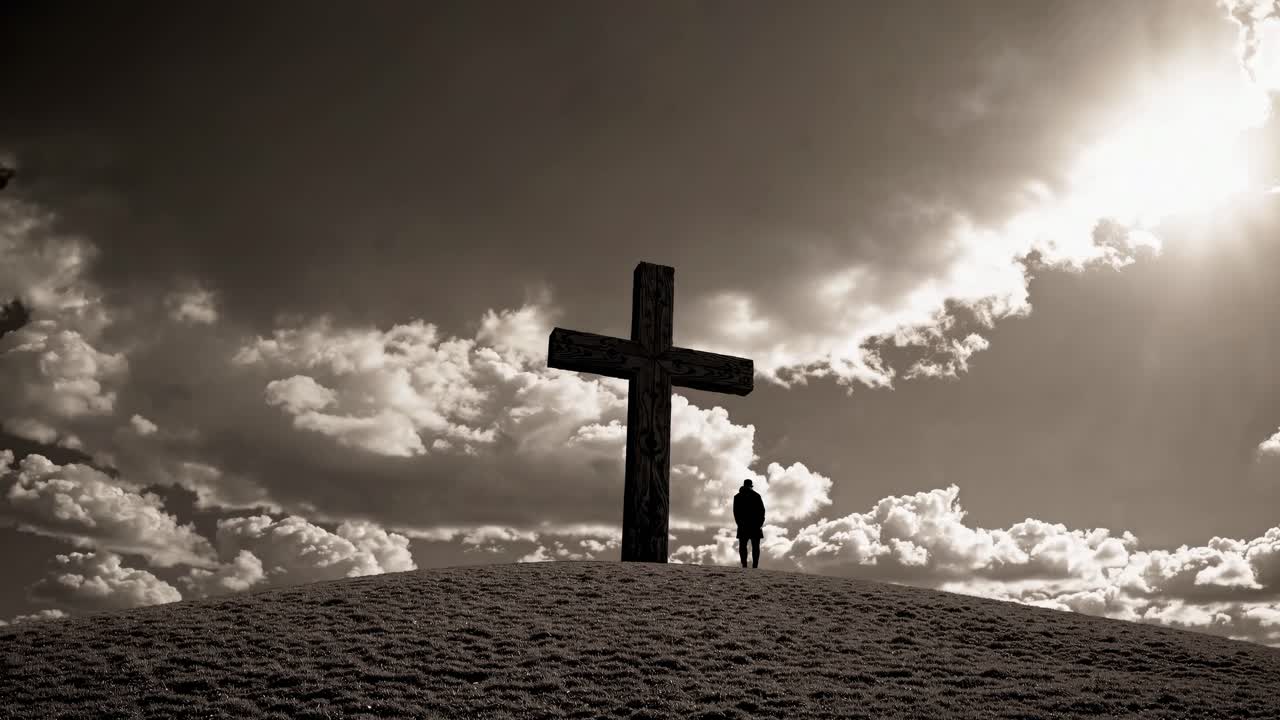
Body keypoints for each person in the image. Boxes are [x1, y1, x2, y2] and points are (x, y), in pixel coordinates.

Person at [733, 479, 766, 568]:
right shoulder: (756, 496)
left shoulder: (737, 497)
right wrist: (759, 523)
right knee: (754, 547)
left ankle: (745, 565)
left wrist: (739, 524)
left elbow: (736, 513)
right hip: (754, 525)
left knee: (744, 546)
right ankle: (753, 566)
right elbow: (762, 511)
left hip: (745, 526)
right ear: (751, 486)